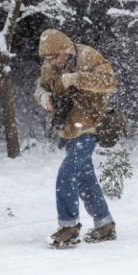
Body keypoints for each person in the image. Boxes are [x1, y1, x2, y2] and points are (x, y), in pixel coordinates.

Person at [34, 28, 118, 248]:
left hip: (90, 126)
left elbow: (109, 82)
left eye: (55, 57)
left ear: (66, 50)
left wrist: (77, 79)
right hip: (68, 129)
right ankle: (104, 224)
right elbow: (40, 86)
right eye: (47, 59)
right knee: (84, 178)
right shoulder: (50, 66)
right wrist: (44, 97)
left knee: (67, 174)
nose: (52, 62)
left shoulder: (89, 56)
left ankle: (69, 227)